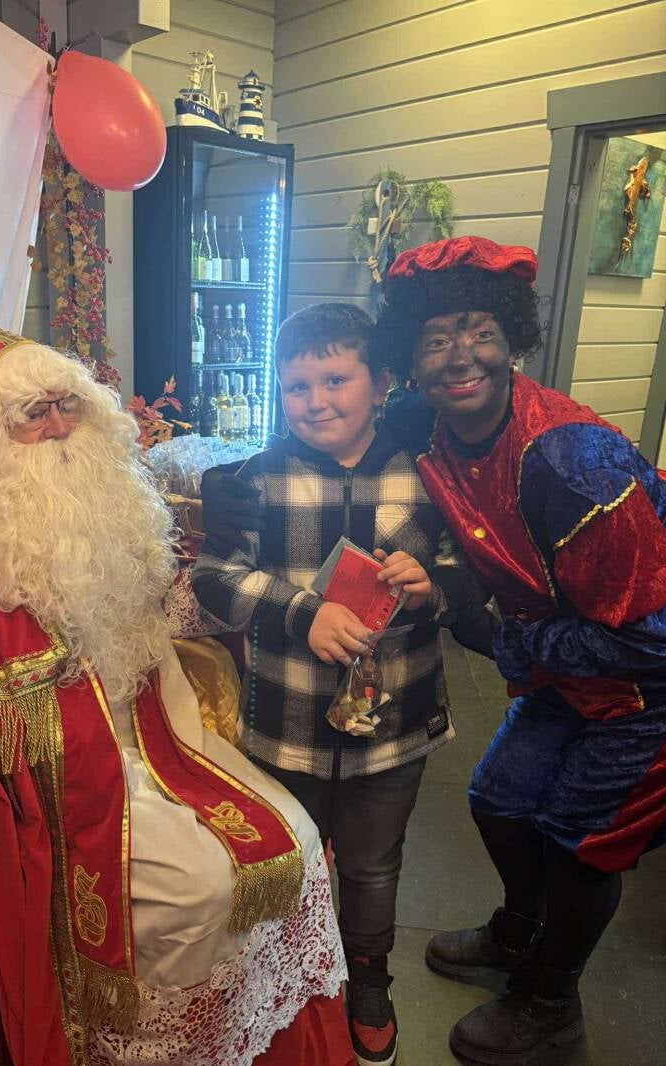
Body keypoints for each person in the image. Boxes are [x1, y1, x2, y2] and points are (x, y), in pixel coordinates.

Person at [0, 299, 356, 1066]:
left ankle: (257, 1036)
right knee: (199, 890)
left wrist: (215, 574)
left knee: (292, 833)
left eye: (69, 405)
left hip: (156, 730)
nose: (59, 426)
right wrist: (23, 707)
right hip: (52, 779)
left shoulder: (102, 496)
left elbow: (153, 616)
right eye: (34, 413)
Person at [371, 235, 666, 1064]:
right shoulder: (427, 426)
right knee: (500, 799)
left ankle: (551, 1004)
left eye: (480, 331)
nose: (460, 354)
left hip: (646, 686)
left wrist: (504, 636)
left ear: (512, 340)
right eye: (436, 338)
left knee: (580, 839)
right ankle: (519, 935)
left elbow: (648, 634)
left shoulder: (570, 460)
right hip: (565, 668)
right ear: (412, 362)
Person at [192, 303, 493, 1066]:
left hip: (396, 723)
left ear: (381, 382)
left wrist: (432, 586)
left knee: (372, 864)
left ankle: (369, 981)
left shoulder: (427, 477)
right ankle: (285, 975)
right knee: (290, 855)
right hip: (285, 721)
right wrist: (302, 612)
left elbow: (471, 573)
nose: (315, 401)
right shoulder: (258, 480)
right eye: (296, 386)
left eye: (335, 380)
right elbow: (215, 578)